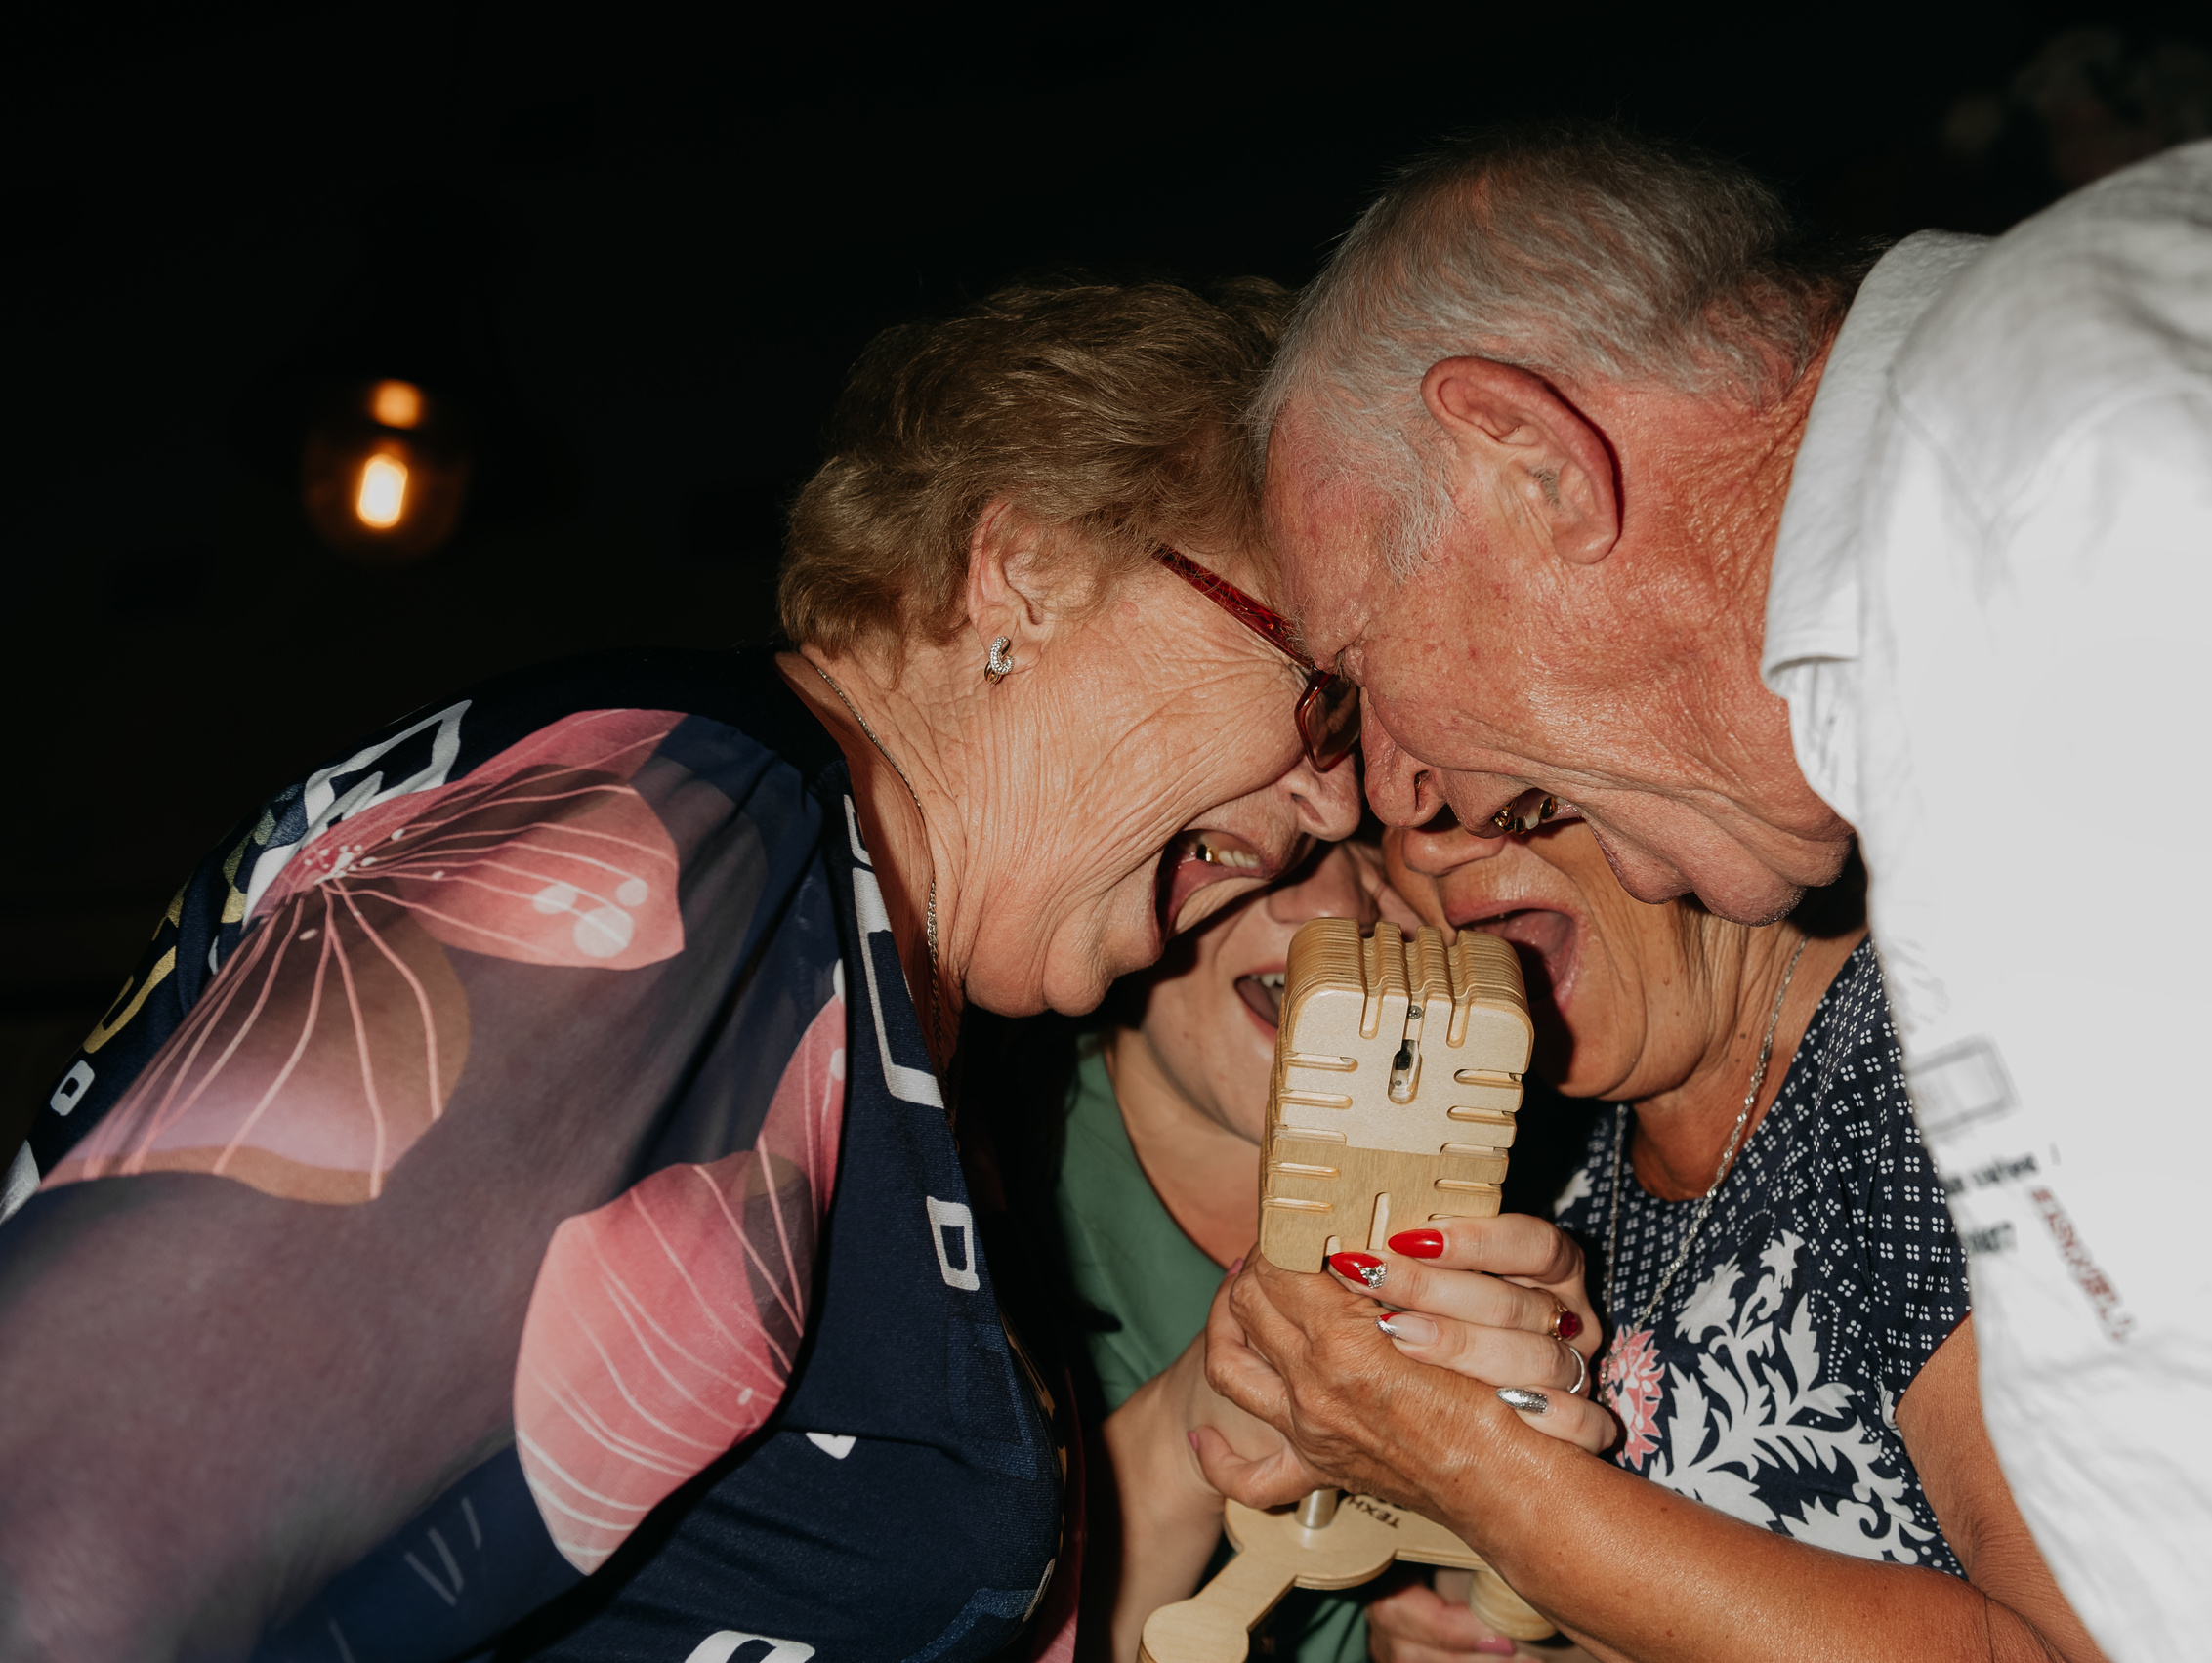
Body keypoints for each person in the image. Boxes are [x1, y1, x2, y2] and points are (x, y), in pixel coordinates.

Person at [1232, 119, 2212, 1661]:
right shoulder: (1985, 584)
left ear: (1531, 465)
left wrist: (1489, 1482)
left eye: (1364, 663)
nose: (1393, 791)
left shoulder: (2065, 492)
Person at [0, 277, 1362, 1661]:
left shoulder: (854, 954)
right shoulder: (674, 857)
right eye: (1322, 683)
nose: (1342, 797)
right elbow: (66, 1522)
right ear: (1031, 568)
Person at [1293, 816, 2102, 1663]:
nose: (1431, 842)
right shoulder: (1532, 1120)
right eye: (1400, 799)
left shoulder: (1943, 1071)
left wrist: (1483, 1479)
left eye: (1501, 780)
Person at [963, 834, 1599, 1663]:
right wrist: (1184, 1436)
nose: (1334, 904)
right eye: (1271, 847)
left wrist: (1474, 1582)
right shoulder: (954, 1211)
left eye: (1371, 849)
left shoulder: (1516, 1181)